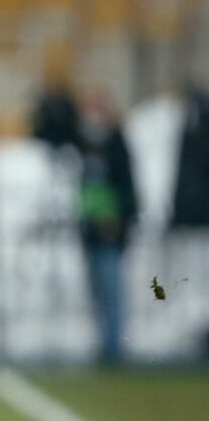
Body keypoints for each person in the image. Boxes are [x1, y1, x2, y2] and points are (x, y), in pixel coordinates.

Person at [76, 93, 137, 363]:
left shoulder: (116, 144)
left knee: (112, 290)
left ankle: (114, 346)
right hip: (90, 230)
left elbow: (127, 187)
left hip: (111, 231)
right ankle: (103, 343)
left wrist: (120, 220)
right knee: (97, 291)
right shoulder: (84, 145)